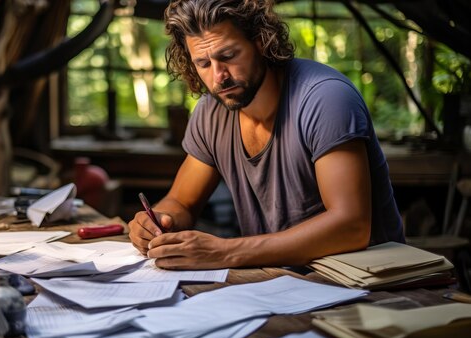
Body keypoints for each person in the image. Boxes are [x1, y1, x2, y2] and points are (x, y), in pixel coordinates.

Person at [128, 0, 405, 270]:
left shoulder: (325, 98)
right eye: (203, 63)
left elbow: (351, 226)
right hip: (281, 282)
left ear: (261, 42)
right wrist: (159, 222)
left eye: (228, 56)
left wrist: (226, 252)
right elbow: (181, 202)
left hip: (370, 288)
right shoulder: (211, 111)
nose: (218, 76)